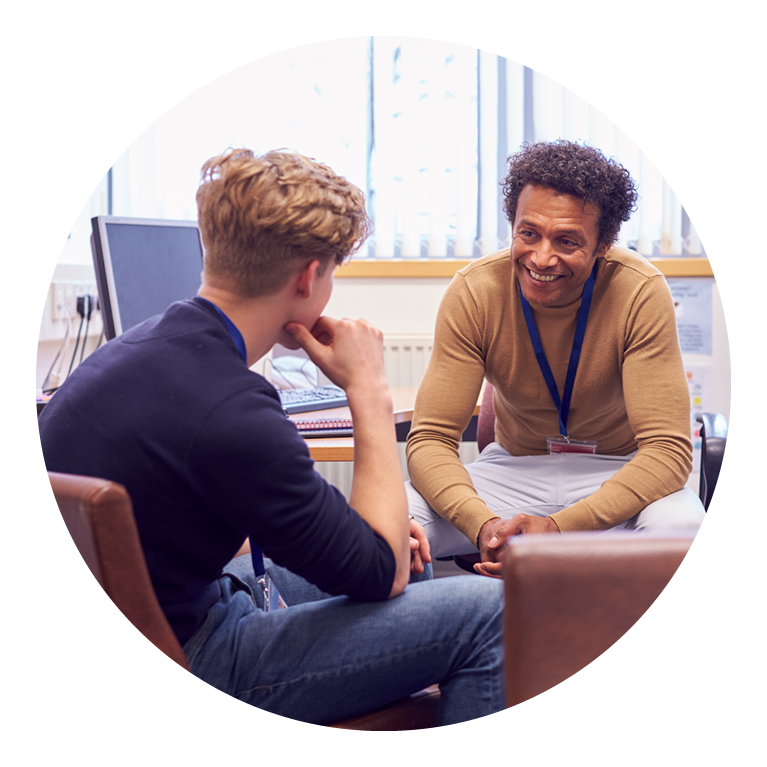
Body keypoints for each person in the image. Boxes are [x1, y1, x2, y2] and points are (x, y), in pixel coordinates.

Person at [39, 147, 504, 726]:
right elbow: (379, 572)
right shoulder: (232, 412)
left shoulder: (135, 349)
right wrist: (369, 390)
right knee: (491, 609)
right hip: (196, 659)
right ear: (309, 276)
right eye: (333, 272)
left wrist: (374, 545)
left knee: (416, 562)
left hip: (159, 622)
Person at [406, 140, 705, 577]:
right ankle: (439, 637)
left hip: (618, 472)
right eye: (529, 233)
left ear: (603, 244)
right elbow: (430, 440)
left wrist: (559, 528)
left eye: (566, 240)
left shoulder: (640, 291)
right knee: (391, 524)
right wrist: (485, 526)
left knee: (683, 530)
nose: (542, 258)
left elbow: (667, 452)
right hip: (512, 472)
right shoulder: (475, 291)